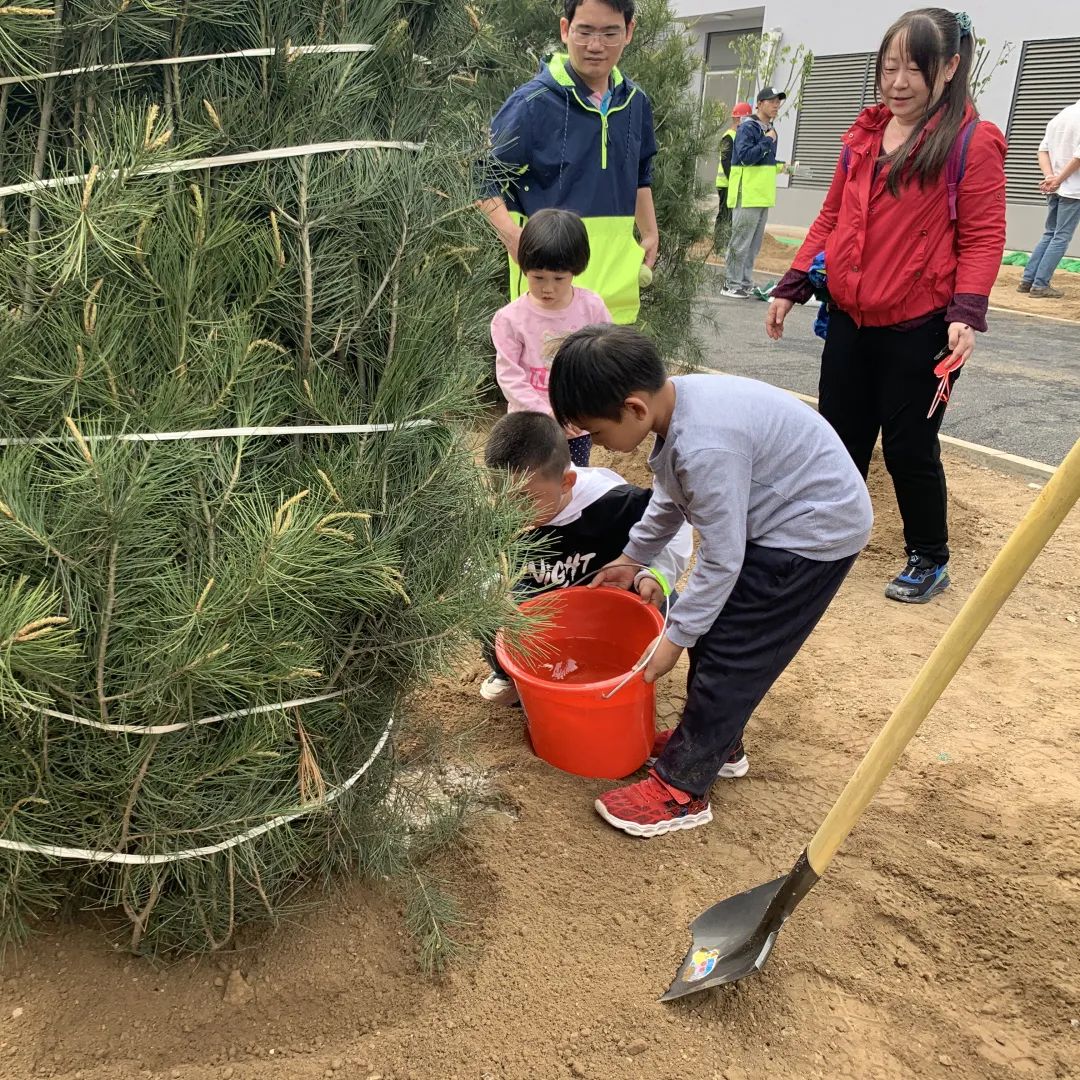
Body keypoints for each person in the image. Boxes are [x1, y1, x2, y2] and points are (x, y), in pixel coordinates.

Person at [548, 325, 873, 838]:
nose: (602, 447)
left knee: (731, 650)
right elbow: (670, 496)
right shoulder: (676, 407)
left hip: (811, 532)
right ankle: (715, 743)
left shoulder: (704, 446)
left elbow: (722, 559)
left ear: (633, 408)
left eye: (599, 433)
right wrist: (633, 558)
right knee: (717, 634)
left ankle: (682, 789)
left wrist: (673, 638)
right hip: (784, 513)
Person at [766, 8, 1006, 604]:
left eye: (914, 68)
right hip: (850, 319)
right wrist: (793, 281)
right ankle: (829, 535)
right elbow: (831, 215)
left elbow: (983, 236)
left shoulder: (971, 144)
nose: (897, 81)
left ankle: (929, 555)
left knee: (908, 448)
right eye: (889, 66)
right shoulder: (865, 132)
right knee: (839, 437)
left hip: (920, 328)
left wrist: (966, 313)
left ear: (949, 67)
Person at [479, 410, 692, 707]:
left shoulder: (615, 503)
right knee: (481, 608)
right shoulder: (498, 516)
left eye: (526, 500)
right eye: (502, 497)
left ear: (566, 482)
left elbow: (675, 525)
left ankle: (631, 667)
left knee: (673, 604)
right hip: (543, 605)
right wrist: (493, 588)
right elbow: (476, 565)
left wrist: (657, 574)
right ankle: (510, 675)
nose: (512, 511)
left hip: (611, 599)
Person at [477, 0, 658, 325]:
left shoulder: (635, 103)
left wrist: (649, 232)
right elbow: (480, 178)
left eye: (609, 33)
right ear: (565, 30)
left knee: (610, 376)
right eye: (584, 31)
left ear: (629, 32)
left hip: (615, 298)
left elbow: (641, 173)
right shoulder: (532, 104)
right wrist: (514, 238)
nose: (595, 46)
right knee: (546, 377)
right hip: (549, 296)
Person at [491, 209, 612, 468]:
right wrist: (546, 413)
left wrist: (588, 409)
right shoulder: (510, 319)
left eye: (559, 278)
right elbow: (510, 376)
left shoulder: (592, 308)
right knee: (531, 485)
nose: (548, 287)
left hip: (575, 427)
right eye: (538, 277)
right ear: (523, 267)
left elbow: (606, 359)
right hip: (530, 426)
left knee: (573, 481)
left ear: (576, 270)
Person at [722, 87, 787, 300]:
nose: (776, 105)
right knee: (740, 242)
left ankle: (745, 282)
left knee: (753, 245)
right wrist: (767, 140)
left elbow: (763, 163)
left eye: (778, 102)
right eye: (772, 101)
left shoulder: (769, 129)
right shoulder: (748, 127)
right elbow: (746, 157)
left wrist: (781, 167)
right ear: (759, 103)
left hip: (762, 195)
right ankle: (731, 283)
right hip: (747, 193)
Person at [1019, 97, 1080, 300]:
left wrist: (1050, 178)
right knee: (1061, 237)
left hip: (1055, 186)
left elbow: (1042, 149)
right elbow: (1079, 157)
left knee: (1050, 233)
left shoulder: (1062, 115)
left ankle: (1028, 280)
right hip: (1073, 189)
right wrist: (1060, 180)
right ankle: (1040, 284)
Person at [715, 102, 753, 249]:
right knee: (724, 214)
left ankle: (726, 243)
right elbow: (726, 163)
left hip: (732, 184)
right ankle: (719, 245)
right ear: (739, 119)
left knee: (731, 215)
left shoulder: (739, 136)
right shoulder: (729, 137)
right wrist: (734, 182)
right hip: (726, 184)